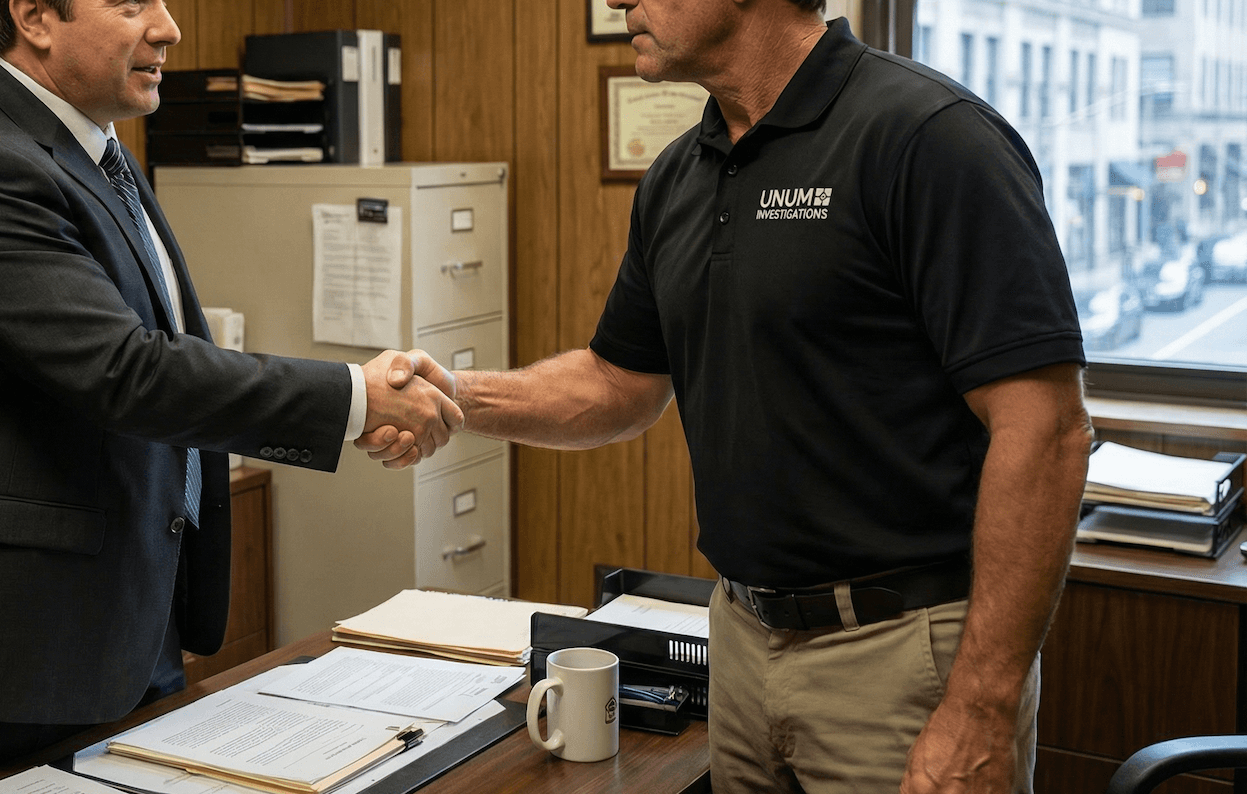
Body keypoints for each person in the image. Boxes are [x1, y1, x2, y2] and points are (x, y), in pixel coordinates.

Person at [371, 0, 1094, 790]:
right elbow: (618, 383)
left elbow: (1046, 429)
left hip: (900, 653)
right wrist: (453, 394)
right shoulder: (681, 173)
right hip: (741, 641)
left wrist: (984, 706)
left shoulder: (930, 137)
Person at [0, 1, 457, 791]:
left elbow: (168, 359)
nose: (168, 27)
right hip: (2, 651)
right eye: (132, 3)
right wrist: (354, 400)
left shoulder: (97, 154)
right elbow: (128, 373)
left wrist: (354, 404)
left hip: (120, 619)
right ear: (33, 15)